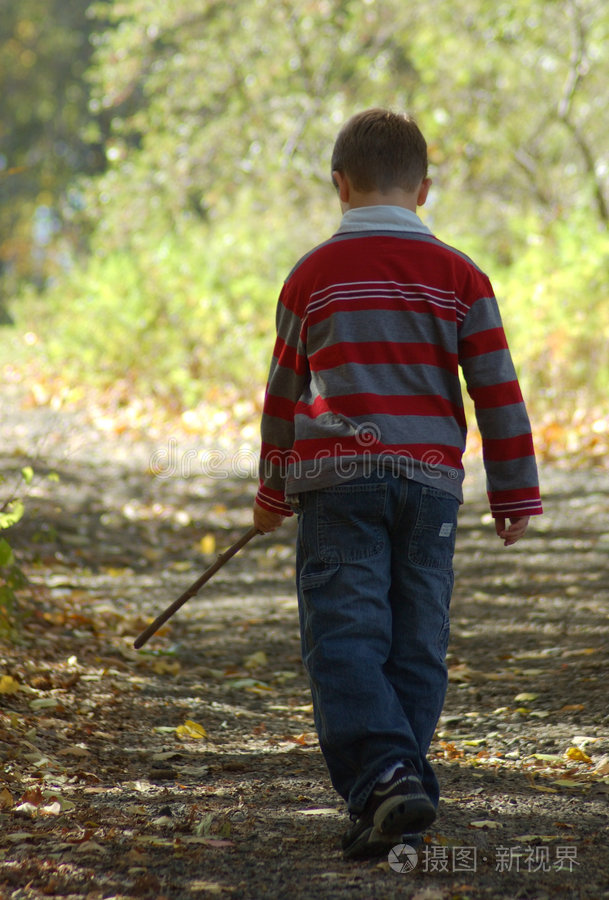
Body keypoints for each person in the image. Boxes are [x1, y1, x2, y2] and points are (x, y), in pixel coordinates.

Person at [252, 108, 542, 860]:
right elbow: (496, 391)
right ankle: (395, 784)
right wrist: (514, 492)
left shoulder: (310, 275)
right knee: (417, 639)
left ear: (339, 185)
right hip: (429, 485)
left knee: (344, 633)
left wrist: (271, 488)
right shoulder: (460, 275)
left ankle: (383, 777)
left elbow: (284, 396)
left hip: (338, 484)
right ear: (424, 188)